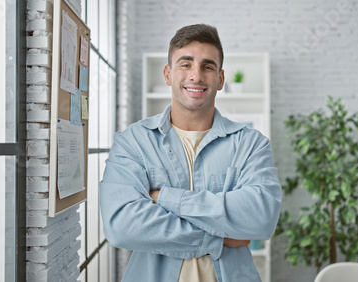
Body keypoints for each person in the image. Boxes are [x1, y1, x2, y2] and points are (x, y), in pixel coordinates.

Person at [100, 23, 282, 282]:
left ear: (220, 79)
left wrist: (166, 198)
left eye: (207, 66)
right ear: (168, 74)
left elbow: (261, 218)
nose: (196, 76)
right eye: (185, 64)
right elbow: (122, 227)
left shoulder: (252, 144)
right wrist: (219, 236)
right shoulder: (133, 142)